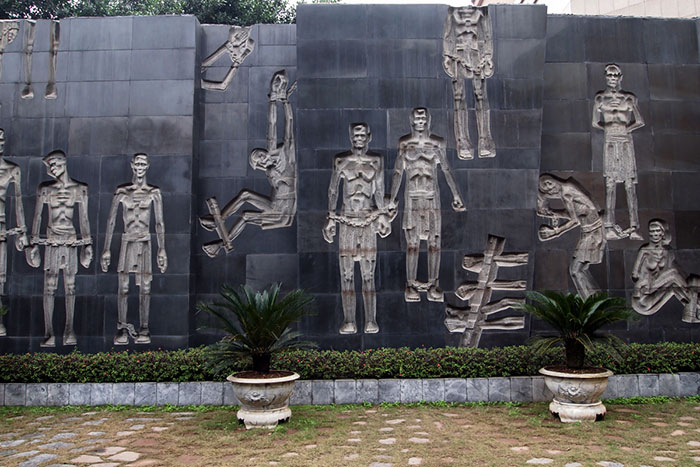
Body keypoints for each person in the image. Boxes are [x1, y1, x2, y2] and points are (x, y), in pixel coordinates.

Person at [200, 70, 296, 257]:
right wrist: (275, 99)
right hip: (275, 207)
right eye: (259, 160)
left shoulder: (286, 155)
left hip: (284, 212)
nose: (261, 156)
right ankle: (220, 234)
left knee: (245, 199)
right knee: (244, 210)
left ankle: (219, 225)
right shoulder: (271, 168)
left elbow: (279, 125)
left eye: (259, 154)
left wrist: (279, 100)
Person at [390, 108, 465, 302]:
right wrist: (391, 198)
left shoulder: (437, 143)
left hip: (432, 197)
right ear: (411, 120)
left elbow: (447, 169)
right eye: (417, 117)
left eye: (423, 117)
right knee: (412, 243)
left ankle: (433, 283)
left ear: (428, 120)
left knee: (434, 242)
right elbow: (398, 172)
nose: (420, 120)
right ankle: (410, 284)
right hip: (413, 197)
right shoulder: (405, 144)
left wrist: (456, 194)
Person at [323, 123, 392, 334]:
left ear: (369, 136)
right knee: (347, 274)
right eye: (355, 134)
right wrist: (330, 218)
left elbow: (379, 191)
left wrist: (383, 216)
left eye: (362, 134)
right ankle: (349, 320)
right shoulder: (341, 161)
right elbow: (333, 191)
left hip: (368, 219)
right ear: (351, 136)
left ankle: (371, 320)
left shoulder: (377, 161)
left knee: (368, 274)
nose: (359, 138)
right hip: (346, 220)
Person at [27, 150, 92, 347]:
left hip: (71, 240)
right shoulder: (45, 189)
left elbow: (84, 218)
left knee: (71, 286)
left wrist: (87, 244)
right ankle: (49, 332)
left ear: (61, 163)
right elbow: (37, 217)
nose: (49, 170)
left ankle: (69, 329)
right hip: (52, 240)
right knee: (50, 286)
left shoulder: (80, 189)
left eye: (52, 166)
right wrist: (33, 244)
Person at [101, 153, 167, 345]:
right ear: (132, 165)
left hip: (145, 241)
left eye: (143, 163)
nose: (139, 166)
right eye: (137, 162)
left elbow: (159, 223)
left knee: (145, 287)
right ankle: (122, 328)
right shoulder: (122, 192)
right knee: (123, 287)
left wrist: (161, 249)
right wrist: (106, 249)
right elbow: (111, 221)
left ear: (147, 166)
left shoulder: (153, 192)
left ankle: (144, 327)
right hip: (127, 241)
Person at [592, 64, 645, 241]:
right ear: (606, 77)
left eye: (615, 75)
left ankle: (634, 226)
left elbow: (639, 121)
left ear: (620, 76)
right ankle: (609, 226)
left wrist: (625, 128)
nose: (612, 78)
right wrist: (608, 128)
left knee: (629, 184)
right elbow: (595, 122)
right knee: (610, 183)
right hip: (610, 141)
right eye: (609, 75)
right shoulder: (600, 98)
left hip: (625, 141)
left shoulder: (628, 98)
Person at [537, 174, 605, 298]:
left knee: (575, 270)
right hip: (590, 231)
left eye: (548, 182)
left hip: (592, 232)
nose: (548, 186)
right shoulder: (567, 189)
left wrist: (556, 232)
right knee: (579, 270)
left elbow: (575, 220)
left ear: (553, 179)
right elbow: (577, 215)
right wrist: (554, 213)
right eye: (545, 186)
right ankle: (594, 299)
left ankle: (592, 300)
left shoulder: (566, 191)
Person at [442, 5, 495, 160]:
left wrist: (488, 55)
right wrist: (447, 55)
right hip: (458, 54)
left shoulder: (482, 11)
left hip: (477, 54)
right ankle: (462, 141)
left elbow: (488, 32)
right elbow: (447, 33)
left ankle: (484, 139)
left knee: (480, 96)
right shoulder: (452, 11)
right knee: (459, 98)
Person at [631, 219, 699, 322]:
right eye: (651, 231)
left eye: (657, 230)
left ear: (663, 233)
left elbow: (675, 269)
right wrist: (641, 284)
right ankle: (691, 294)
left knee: (673, 286)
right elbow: (634, 274)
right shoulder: (644, 250)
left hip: (654, 289)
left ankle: (692, 309)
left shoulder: (667, 251)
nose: (654, 234)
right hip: (642, 295)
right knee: (673, 275)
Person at [0, 129, 28, 336]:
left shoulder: (11, 169)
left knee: (0, 277)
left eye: (1, 139)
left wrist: (22, 232)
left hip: (1, 225)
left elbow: (18, 200)